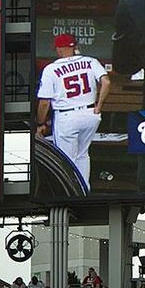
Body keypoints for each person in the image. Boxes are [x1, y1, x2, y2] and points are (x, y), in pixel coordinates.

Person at [37, 34, 110, 190]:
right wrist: (99, 105)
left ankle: (69, 193)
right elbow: (106, 81)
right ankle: (84, 191)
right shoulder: (91, 61)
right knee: (82, 154)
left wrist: (40, 122)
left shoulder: (51, 69)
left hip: (67, 116)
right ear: (74, 46)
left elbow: (44, 103)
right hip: (91, 114)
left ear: (59, 49)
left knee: (66, 159)